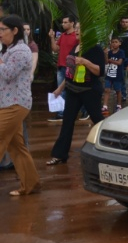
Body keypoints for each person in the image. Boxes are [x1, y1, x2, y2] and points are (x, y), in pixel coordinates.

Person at [49, 29, 106, 165]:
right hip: (72, 90)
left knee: (97, 120)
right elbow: (70, 72)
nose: (77, 31)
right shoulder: (75, 47)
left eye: (81, 28)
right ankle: (59, 154)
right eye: (76, 28)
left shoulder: (95, 49)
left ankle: (108, 148)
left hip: (89, 90)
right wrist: (60, 88)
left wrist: (85, 62)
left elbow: (100, 71)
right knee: (67, 121)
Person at [0, 15, 41, 195]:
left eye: (2, 30)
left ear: (14, 31)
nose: (0, 34)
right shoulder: (8, 50)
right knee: (16, 146)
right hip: (7, 103)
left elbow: (8, 73)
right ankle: (30, 185)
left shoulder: (21, 51)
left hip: (16, 103)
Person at [48, 14, 79, 121]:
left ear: (72, 23)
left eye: (66, 22)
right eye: (63, 22)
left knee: (69, 90)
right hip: (61, 65)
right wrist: (52, 38)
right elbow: (55, 49)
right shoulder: (63, 35)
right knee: (60, 89)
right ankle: (61, 113)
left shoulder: (76, 36)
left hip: (71, 67)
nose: (63, 24)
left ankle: (64, 113)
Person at [102, 37, 125, 113]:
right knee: (107, 89)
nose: (114, 43)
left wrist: (110, 60)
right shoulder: (110, 52)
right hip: (109, 74)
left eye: (116, 42)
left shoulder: (121, 52)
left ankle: (119, 105)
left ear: (119, 43)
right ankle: (105, 106)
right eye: (113, 42)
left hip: (117, 75)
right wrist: (105, 54)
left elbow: (119, 62)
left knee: (118, 90)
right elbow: (106, 62)